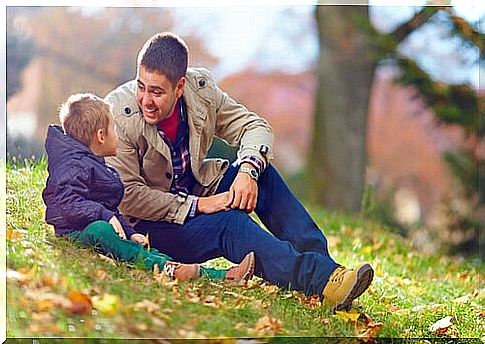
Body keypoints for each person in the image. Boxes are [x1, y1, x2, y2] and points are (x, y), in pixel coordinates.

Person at [105, 32, 374, 312]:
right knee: (230, 223)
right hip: (153, 227)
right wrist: (201, 205)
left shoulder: (201, 92)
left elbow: (254, 127)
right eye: (141, 86)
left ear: (180, 86)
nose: (146, 99)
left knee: (262, 174)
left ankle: (329, 275)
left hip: (197, 192)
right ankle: (320, 279)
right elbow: (130, 198)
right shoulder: (120, 113)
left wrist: (247, 171)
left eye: (157, 91)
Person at [42, 93, 255, 285]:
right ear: (100, 136)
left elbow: (110, 210)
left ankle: (209, 274)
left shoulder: (94, 163)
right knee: (102, 230)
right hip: (77, 234)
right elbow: (64, 203)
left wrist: (130, 232)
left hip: (100, 233)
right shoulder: (73, 165)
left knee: (142, 248)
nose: (117, 133)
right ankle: (193, 273)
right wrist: (104, 216)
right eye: (114, 128)